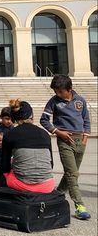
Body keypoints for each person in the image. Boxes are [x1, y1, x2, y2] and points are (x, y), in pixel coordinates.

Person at [40, 74, 91, 220]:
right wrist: (58, 132)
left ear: (69, 89)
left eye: (60, 91)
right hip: (65, 141)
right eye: (55, 91)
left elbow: (86, 119)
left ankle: (58, 194)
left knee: (70, 173)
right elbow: (44, 120)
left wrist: (85, 138)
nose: (57, 94)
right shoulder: (54, 102)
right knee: (73, 174)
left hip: (80, 141)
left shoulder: (80, 101)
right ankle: (79, 206)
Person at [1, 99, 55, 194]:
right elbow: (51, 164)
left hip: (21, 185)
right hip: (47, 186)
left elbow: (5, 166)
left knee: (5, 175)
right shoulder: (44, 134)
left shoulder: (10, 134)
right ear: (31, 116)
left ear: (14, 118)